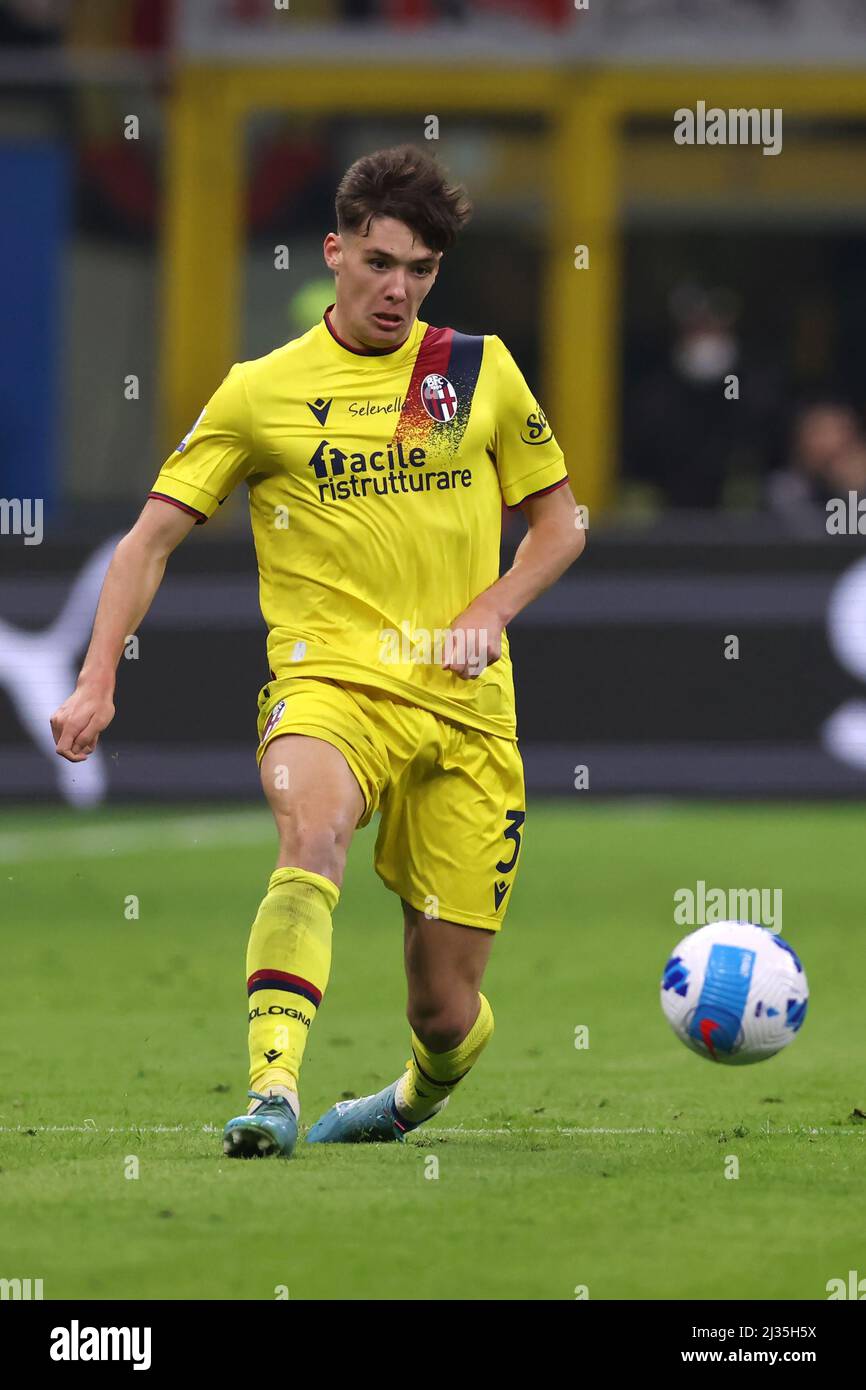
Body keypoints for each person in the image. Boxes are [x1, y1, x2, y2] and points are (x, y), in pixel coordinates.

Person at [50, 143, 584, 1159]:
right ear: (332, 250)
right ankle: (271, 1091)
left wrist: (494, 605)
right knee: (312, 839)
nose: (398, 289)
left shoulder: (477, 370)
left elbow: (561, 524)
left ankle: (406, 1100)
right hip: (329, 684)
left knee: (442, 1006)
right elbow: (149, 539)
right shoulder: (260, 392)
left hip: (467, 709)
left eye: (420, 270)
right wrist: (95, 677)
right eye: (379, 263)